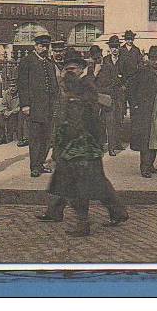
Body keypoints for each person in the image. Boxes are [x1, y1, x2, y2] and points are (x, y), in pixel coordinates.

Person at [35, 48, 128, 236]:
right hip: (75, 144)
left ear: (80, 68)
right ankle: (55, 211)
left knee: (80, 185)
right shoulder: (72, 85)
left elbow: (83, 119)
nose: (69, 71)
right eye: (66, 68)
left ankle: (84, 223)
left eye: (72, 68)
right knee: (65, 179)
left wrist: (62, 144)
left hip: (81, 146)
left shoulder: (83, 86)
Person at [17, 34, 59, 177]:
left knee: (47, 138)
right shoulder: (27, 61)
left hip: (49, 107)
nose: (44, 48)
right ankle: (34, 166)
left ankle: (40, 164)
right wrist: (25, 105)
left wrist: (55, 103)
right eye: (41, 45)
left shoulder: (49, 63)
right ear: (35, 46)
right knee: (35, 138)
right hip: (34, 107)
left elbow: (54, 86)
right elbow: (22, 85)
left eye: (46, 46)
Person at [127, 45, 157, 177]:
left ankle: (151, 164)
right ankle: (144, 167)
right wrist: (134, 105)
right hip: (145, 110)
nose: (155, 61)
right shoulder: (142, 72)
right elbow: (131, 88)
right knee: (145, 139)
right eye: (153, 59)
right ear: (148, 59)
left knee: (155, 137)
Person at [96, 35, 126, 155]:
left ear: (119, 48)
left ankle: (116, 143)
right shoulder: (105, 60)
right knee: (107, 121)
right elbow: (101, 78)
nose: (114, 49)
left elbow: (128, 76)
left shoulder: (123, 60)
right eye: (112, 47)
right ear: (109, 48)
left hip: (119, 94)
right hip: (106, 94)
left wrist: (124, 85)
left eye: (116, 47)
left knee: (118, 119)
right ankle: (110, 147)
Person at [0, 76, 20, 145]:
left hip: (17, 113)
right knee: (0, 115)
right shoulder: (6, 93)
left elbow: (21, 107)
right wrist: (5, 111)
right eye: (10, 86)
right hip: (8, 112)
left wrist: (11, 112)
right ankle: (1, 138)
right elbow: (3, 105)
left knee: (13, 116)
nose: (12, 88)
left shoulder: (20, 94)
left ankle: (10, 138)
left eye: (14, 86)